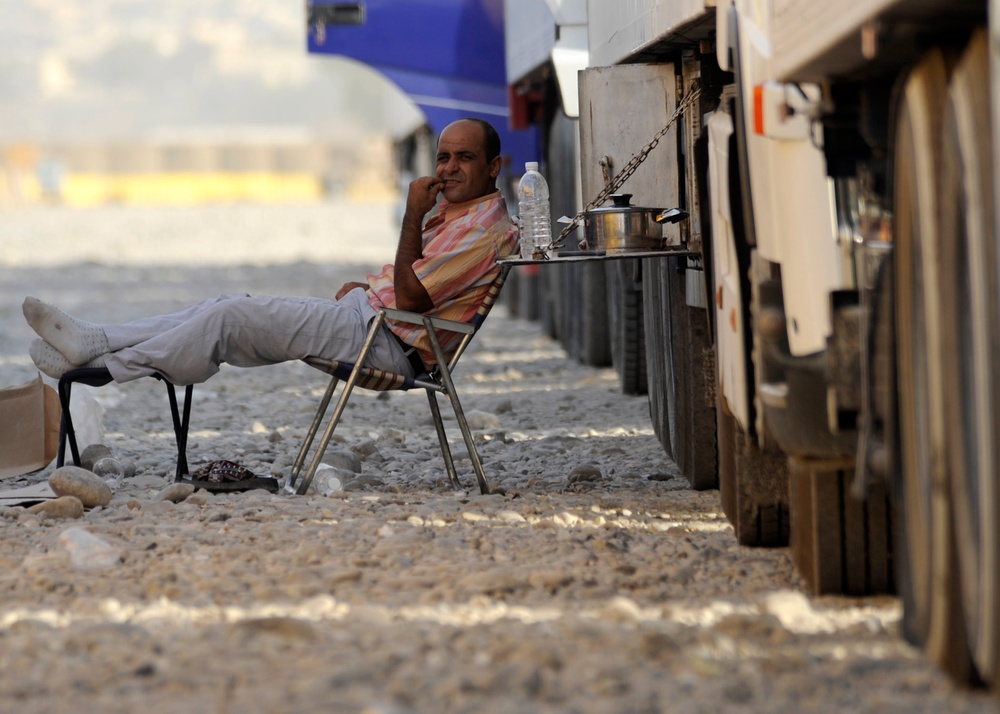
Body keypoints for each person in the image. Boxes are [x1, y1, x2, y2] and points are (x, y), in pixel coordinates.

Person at [23, 118, 518, 386]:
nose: (449, 168)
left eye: (465, 158)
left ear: (494, 166)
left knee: (231, 317)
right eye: (444, 157)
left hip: (387, 344)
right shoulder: (461, 215)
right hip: (370, 321)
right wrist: (373, 289)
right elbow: (418, 285)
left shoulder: (484, 227)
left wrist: (412, 213)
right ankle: (99, 341)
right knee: (222, 306)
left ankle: (102, 370)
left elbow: (412, 301)